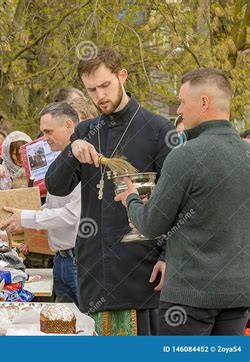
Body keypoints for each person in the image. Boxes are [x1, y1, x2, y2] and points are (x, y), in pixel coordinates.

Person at [45, 47, 176, 335]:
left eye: (105, 85)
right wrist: (71, 150)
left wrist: (169, 256)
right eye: (92, 90)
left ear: (122, 76)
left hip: (141, 268)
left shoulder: (157, 130)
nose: (100, 95)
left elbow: (175, 201)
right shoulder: (85, 131)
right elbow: (55, 186)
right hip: (94, 267)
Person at [115, 68, 250, 335]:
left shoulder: (185, 157)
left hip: (190, 298)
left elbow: (151, 224)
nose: (178, 109)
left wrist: (130, 199)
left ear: (203, 103)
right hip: (237, 294)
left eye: (182, 101)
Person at [0, 102, 81, 305]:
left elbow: (73, 214)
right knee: (65, 326)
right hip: (61, 259)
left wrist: (26, 217)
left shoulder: (82, 159)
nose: (44, 138)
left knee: (86, 325)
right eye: (42, 132)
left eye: (48, 131)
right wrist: (23, 218)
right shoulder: (62, 160)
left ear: (69, 125)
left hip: (78, 260)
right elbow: (53, 208)